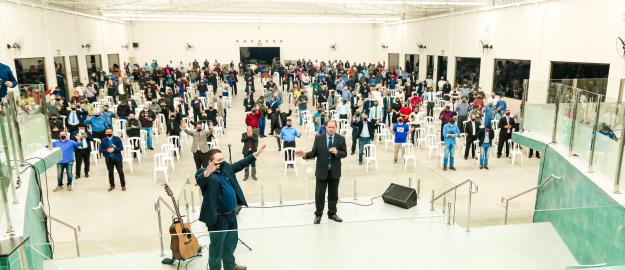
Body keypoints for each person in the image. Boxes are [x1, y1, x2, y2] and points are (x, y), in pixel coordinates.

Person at [196, 144, 266, 270]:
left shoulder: (226, 168)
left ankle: (230, 265)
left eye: (223, 159)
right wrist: (207, 172)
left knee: (230, 243)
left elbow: (239, 164)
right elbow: (200, 179)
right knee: (216, 248)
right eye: (218, 160)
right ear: (210, 162)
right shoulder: (204, 173)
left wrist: (255, 155)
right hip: (217, 219)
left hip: (231, 215)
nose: (222, 162)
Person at [296, 120, 347, 224]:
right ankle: (318, 214)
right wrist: (305, 155)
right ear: (326, 127)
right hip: (321, 172)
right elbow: (314, 152)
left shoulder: (341, 139)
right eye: (329, 127)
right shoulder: (319, 138)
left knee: (333, 194)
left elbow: (345, 153)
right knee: (319, 194)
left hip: (334, 172)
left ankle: (332, 213)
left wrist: (337, 152)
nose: (331, 129)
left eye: (333, 127)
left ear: (335, 128)